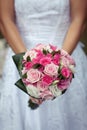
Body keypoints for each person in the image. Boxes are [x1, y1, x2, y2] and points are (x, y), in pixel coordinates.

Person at [0, 0, 87, 130]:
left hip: (66, 53)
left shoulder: (62, 61)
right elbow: (6, 20)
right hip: (20, 53)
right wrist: (28, 67)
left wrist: (60, 64)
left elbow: (79, 18)